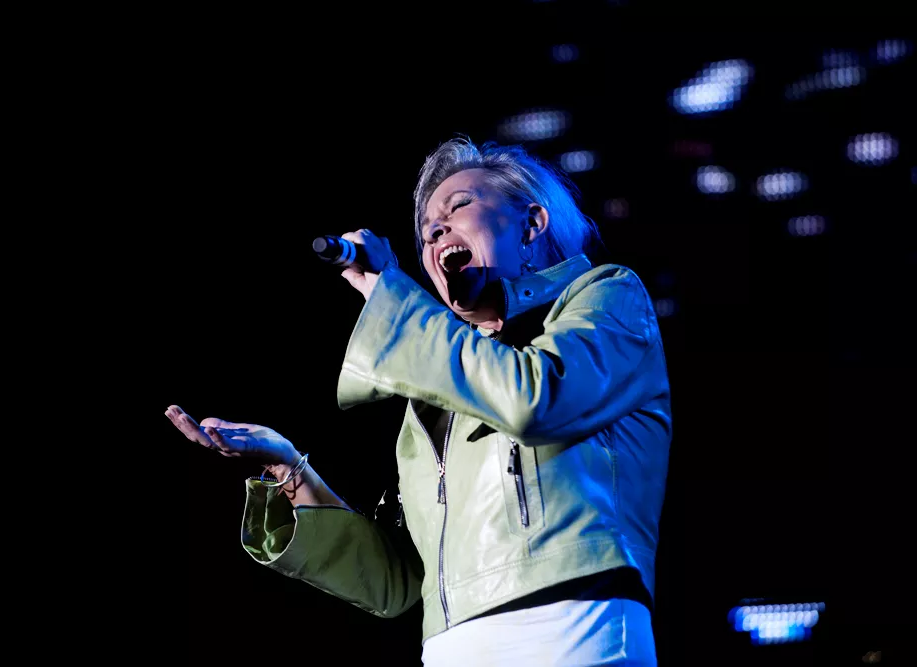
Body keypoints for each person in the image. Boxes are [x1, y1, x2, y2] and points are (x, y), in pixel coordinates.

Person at [167, 137, 671, 666]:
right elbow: (399, 581)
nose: (434, 232)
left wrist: (391, 294)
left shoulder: (607, 296)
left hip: (570, 622)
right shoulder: (438, 383)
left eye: (459, 206)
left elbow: (534, 399)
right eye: (428, 228)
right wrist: (288, 466)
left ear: (531, 225)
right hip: (450, 647)